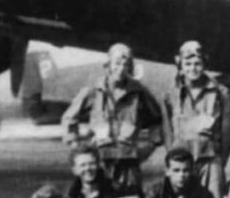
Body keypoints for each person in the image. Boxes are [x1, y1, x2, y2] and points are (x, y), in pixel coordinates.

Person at [61, 42, 163, 188]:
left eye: (126, 64)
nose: (121, 68)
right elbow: (69, 118)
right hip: (99, 165)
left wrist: (149, 147)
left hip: (129, 165)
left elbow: (158, 119)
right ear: (108, 64)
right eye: (117, 63)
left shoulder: (139, 92)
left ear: (131, 67)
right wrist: (77, 148)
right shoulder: (94, 91)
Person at [161, 40, 230, 198]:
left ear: (204, 64)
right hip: (182, 164)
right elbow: (167, 131)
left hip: (210, 161)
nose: (192, 68)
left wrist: (220, 162)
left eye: (197, 63)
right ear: (180, 64)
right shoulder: (170, 94)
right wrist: (174, 161)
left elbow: (226, 133)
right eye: (187, 63)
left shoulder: (222, 92)